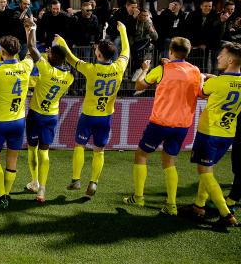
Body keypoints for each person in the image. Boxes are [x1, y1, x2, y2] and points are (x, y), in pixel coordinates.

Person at [123, 37, 202, 216]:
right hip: (182, 126)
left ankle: (139, 197)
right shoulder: (196, 71)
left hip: (160, 123)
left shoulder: (162, 69)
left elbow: (139, 85)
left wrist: (144, 70)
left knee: (141, 155)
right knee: (169, 162)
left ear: (170, 52)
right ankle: (171, 205)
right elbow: (200, 92)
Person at [55, 21, 129, 196]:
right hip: (106, 116)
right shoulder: (119, 67)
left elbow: (71, 59)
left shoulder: (91, 69)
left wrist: (62, 42)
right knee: (99, 151)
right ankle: (94, 183)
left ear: (99, 54)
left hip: (88, 115)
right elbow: (126, 51)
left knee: (79, 145)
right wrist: (123, 31)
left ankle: (76, 179)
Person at [181, 42, 241, 227]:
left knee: (204, 171)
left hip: (209, 133)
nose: (217, 57)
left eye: (221, 55)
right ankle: (199, 206)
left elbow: (201, 91)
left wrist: (200, 77)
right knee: (208, 169)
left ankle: (225, 214)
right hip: (228, 134)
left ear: (230, 60)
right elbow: (226, 87)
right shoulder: (228, 81)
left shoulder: (216, 83)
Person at [23, 17, 74, 202]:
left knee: (32, 149)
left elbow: (31, 47)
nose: (47, 53)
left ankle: (34, 181)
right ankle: (42, 189)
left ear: (53, 57)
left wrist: (33, 28)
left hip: (36, 115)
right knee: (44, 152)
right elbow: (68, 62)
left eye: (50, 52)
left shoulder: (46, 69)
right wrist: (60, 45)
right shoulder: (69, 78)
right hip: (51, 117)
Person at [0, 34, 34, 208]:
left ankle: (1, 194)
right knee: (12, 159)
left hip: (0, 122)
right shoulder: (26, 66)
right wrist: (30, 30)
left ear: (2, 51)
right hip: (19, 122)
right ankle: (7, 194)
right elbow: (31, 52)